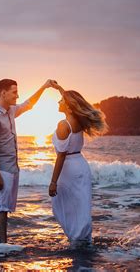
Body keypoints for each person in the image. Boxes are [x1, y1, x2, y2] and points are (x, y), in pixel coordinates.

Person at [0, 78, 56, 245]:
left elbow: (28, 104)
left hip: (12, 168)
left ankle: (1, 244)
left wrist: (44, 87)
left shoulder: (10, 111)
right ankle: (0, 246)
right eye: (14, 92)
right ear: (3, 93)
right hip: (1, 171)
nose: (17, 95)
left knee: (5, 209)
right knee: (1, 209)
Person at [48, 83, 108, 248]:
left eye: (61, 100)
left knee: (64, 205)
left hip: (68, 169)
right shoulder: (78, 121)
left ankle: (77, 240)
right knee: (80, 205)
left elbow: (60, 156)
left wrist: (53, 182)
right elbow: (71, 100)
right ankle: (81, 239)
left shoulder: (63, 125)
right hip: (80, 165)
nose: (58, 102)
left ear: (68, 106)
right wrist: (59, 88)